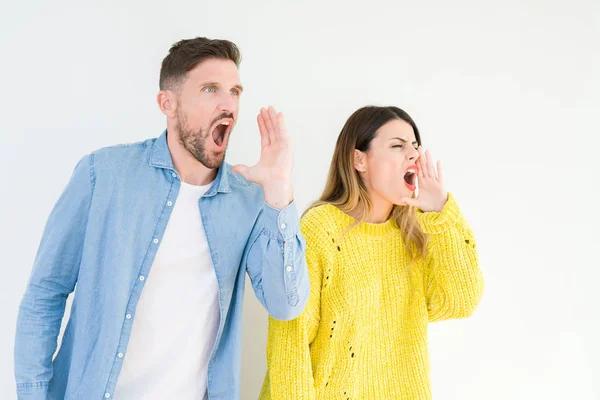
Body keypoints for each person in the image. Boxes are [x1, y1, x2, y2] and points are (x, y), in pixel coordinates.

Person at [14, 37, 309, 400]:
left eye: (234, 91)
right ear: (167, 104)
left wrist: (279, 189)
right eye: (209, 89)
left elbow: (286, 303)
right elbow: (45, 292)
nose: (228, 104)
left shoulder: (248, 200)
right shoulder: (102, 174)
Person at [260, 106, 484, 400]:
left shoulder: (416, 232)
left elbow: (460, 301)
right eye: (397, 146)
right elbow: (291, 340)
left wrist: (440, 210)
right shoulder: (322, 228)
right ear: (359, 160)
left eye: (415, 146)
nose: (413, 154)